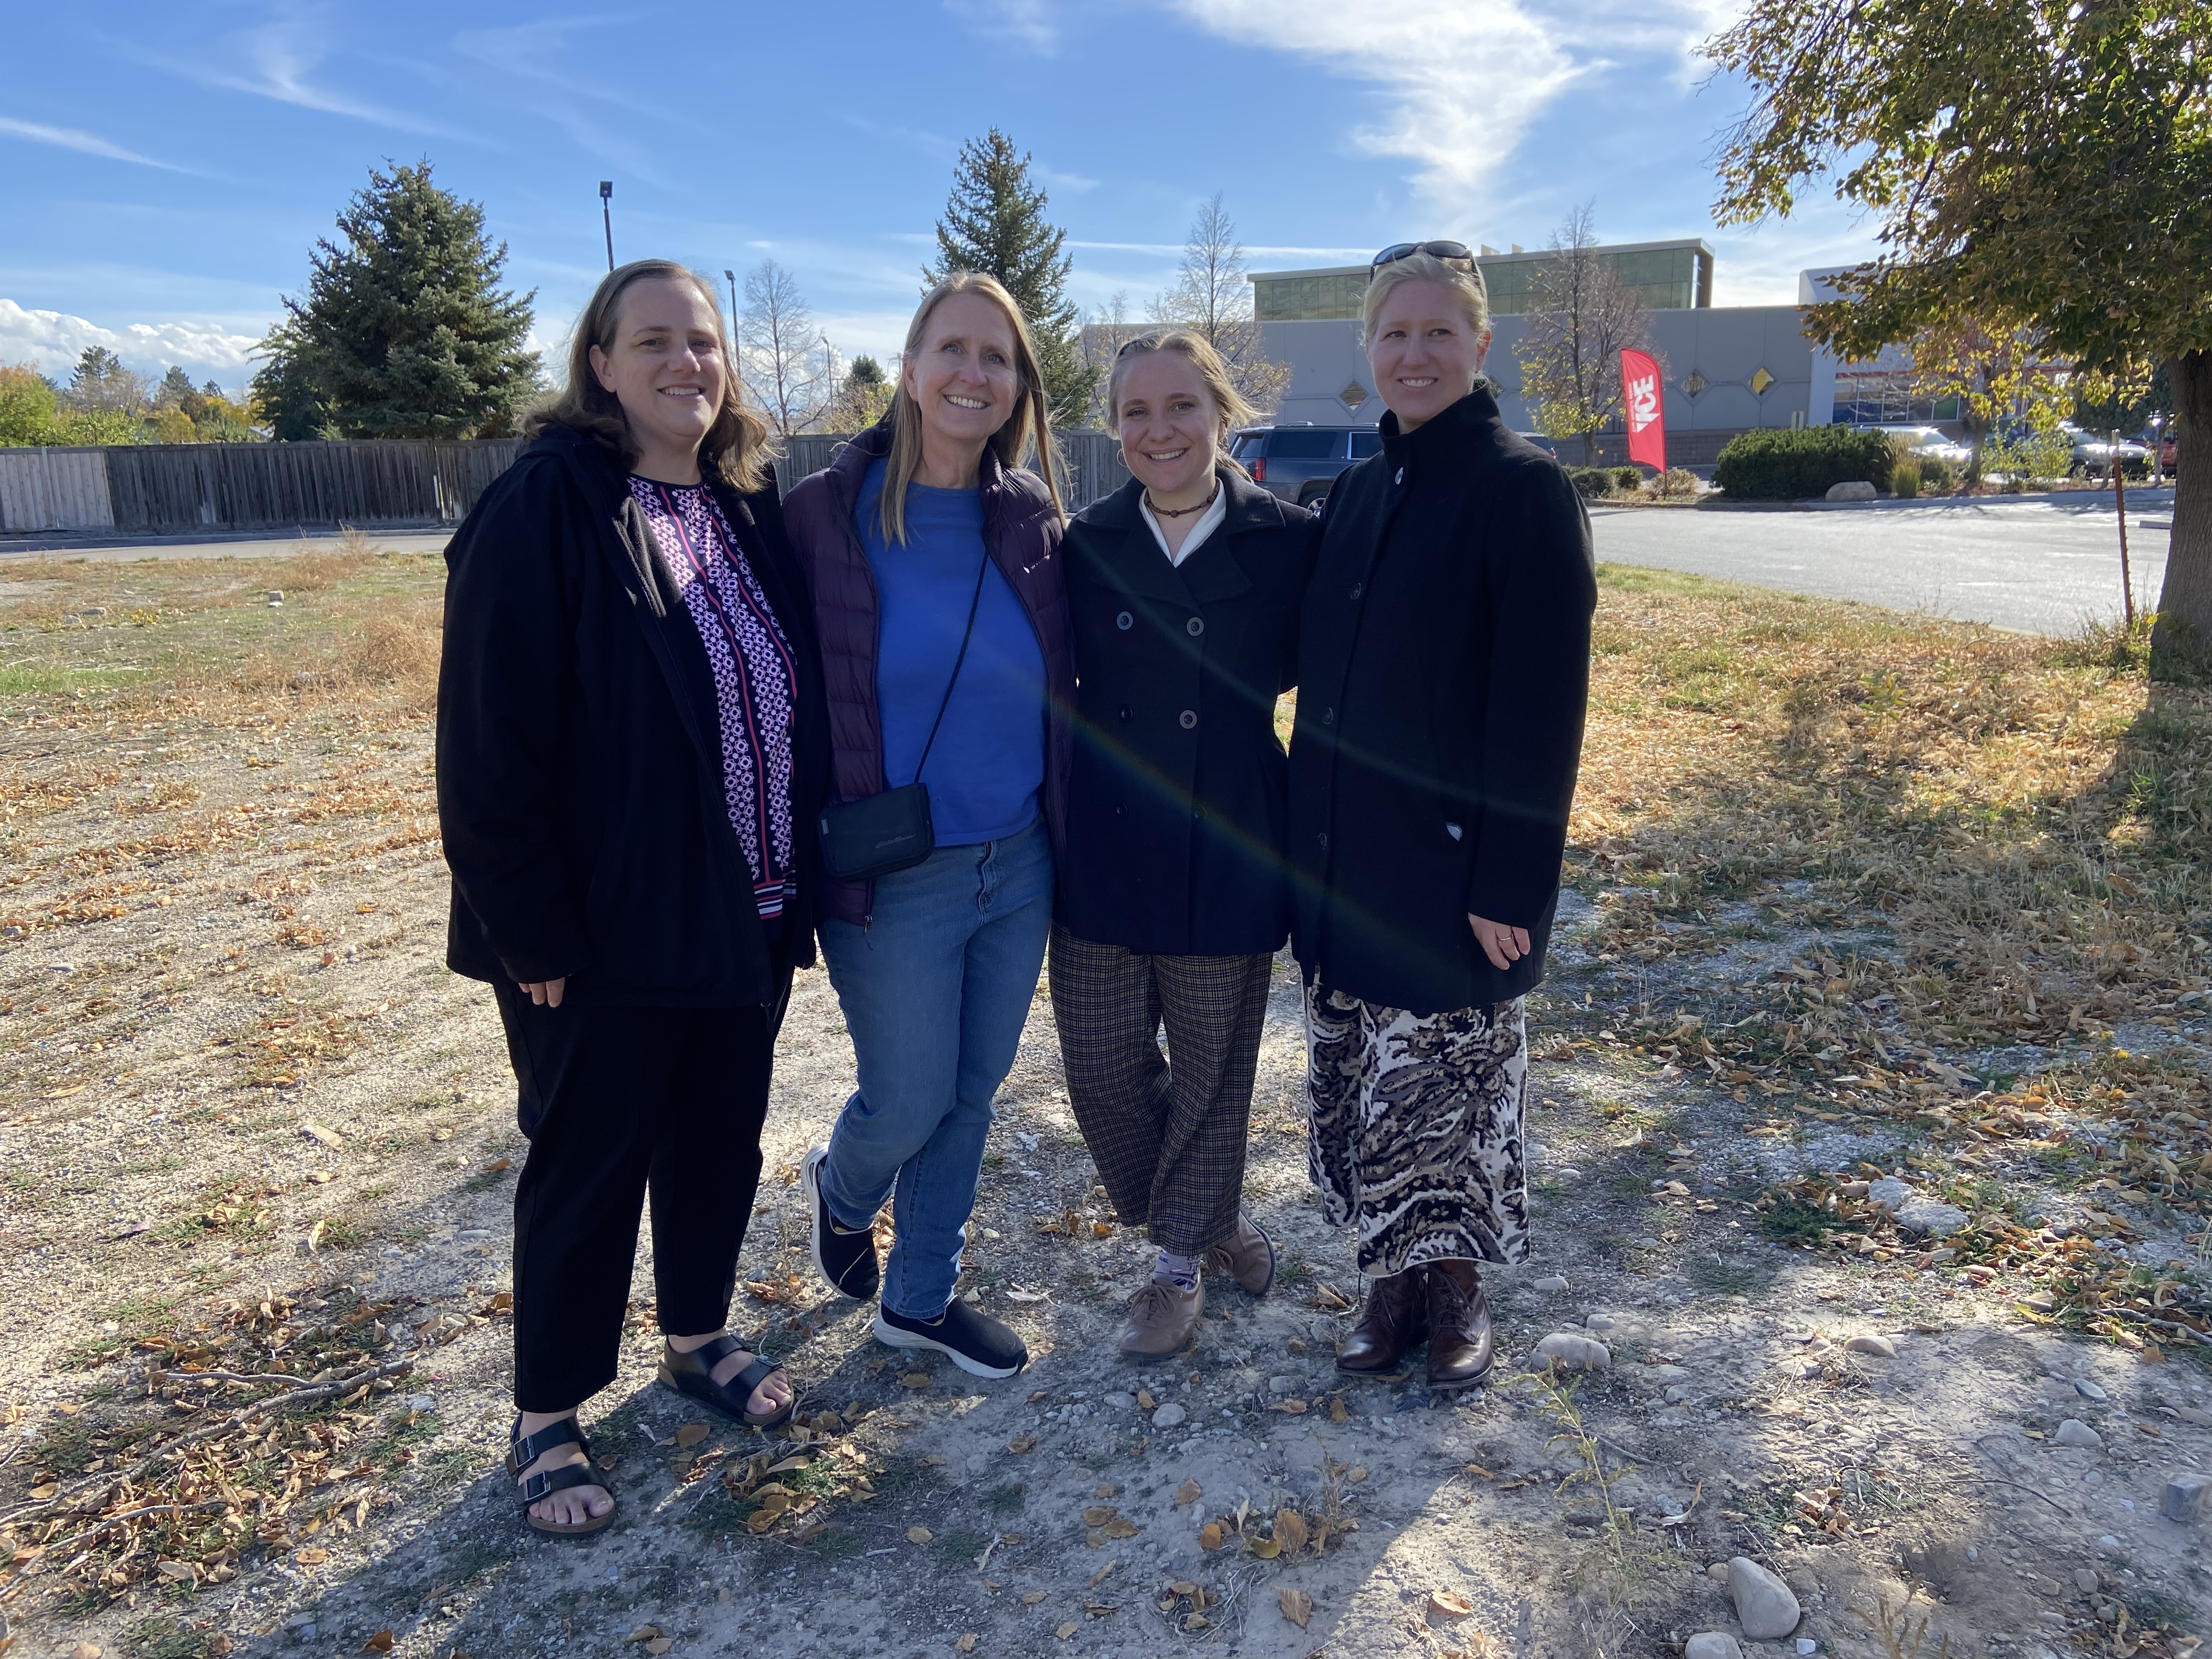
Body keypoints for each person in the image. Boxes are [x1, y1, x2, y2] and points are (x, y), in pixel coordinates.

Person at [437, 259, 830, 1533]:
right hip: (601, 932)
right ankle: (546, 1416)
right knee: (590, 1163)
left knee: (717, 1138)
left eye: (704, 344)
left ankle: (700, 1336)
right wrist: (526, 924)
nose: (687, 366)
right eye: (653, 342)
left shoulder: (741, 508)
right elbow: (487, 740)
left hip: (745, 912)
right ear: (600, 365)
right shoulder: (547, 508)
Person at [1287, 244, 1595, 1390]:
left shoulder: (1523, 490)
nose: (1414, 354)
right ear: (1368, 353)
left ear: (1479, 343)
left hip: (1456, 871)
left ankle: (1456, 1292)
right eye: (1394, 335)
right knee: (1372, 1086)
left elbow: (1542, 707)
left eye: (1437, 333)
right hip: (1341, 863)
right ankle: (1390, 1282)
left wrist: (1513, 882)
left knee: (1452, 1092)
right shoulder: (1358, 494)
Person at [782, 272, 1071, 1380]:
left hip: (1022, 861)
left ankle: (922, 1298)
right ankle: (842, 1189)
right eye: (952, 350)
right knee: (905, 1097)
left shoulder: (1033, 519)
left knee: (971, 1092)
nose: (972, 373)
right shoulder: (820, 513)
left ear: (1016, 387)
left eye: (996, 358)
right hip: (896, 871)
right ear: (908, 369)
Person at [1049, 330, 1318, 1359]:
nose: (1159, 431)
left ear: (1222, 412)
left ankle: (1175, 1266)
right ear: (1114, 427)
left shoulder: (1289, 540)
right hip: (1106, 843)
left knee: (1214, 1073)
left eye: (1181, 407)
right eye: (1136, 413)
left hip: (1234, 840)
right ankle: (1211, 1221)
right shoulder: (1083, 543)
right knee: (1103, 1072)